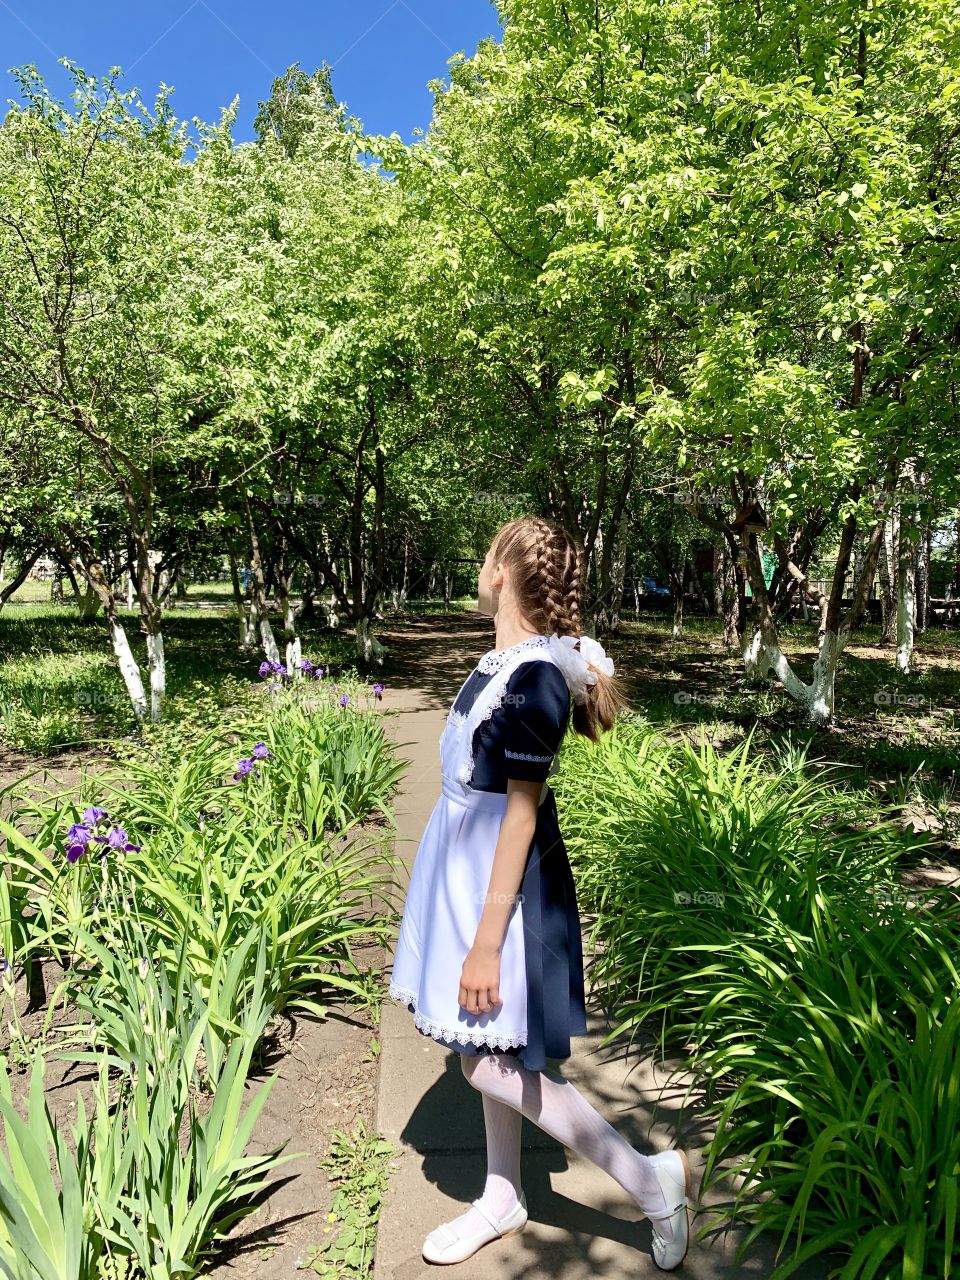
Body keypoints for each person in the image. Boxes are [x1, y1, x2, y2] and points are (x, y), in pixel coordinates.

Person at [387, 515, 692, 1270]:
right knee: (490, 1045)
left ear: (500, 573)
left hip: (502, 895)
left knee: (486, 1062)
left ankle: (650, 1183)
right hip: (465, 877)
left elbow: (519, 818)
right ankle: (501, 1194)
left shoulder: (536, 682)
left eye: (483, 553)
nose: (478, 567)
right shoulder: (499, 665)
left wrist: (487, 942)